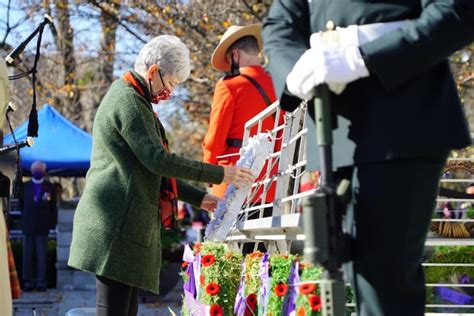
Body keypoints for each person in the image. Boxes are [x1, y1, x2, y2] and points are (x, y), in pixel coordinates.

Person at [262, 1, 474, 315]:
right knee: (353, 273)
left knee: (384, 278)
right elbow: (280, 24)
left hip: (401, 119)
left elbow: (456, 11)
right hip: (332, 124)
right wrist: (293, 69)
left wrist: (366, 56)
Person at [67, 35, 253, 316]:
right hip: (115, 224)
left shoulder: (135, 99)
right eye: (171, 84)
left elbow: (154, 171)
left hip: (123, 224)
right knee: (113, 310)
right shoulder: (128, 100)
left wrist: (200, 198)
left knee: (124, 310)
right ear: (153, 72)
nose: (170, 92)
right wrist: (219, 173)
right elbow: (157, 161)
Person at [203, 24, 281, 206]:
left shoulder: (229, 86)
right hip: (272, 186)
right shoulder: (279, 84)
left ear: (235, 55)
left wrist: (208, 171)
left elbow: (214, 140)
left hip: (236, 186)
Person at [22, 161, 57, 292]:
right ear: (31, 171)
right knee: (27, 256)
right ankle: (28, 282)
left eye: (40, 169)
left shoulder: (50, 187)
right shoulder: (25, 187)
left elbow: (53, 208)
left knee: (42, 256)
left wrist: (52, 224)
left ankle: (41, 282)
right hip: (28, 226)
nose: (38, 171)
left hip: (43, 227)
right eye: (36, 169)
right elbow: (21, 205)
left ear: (44, 171)